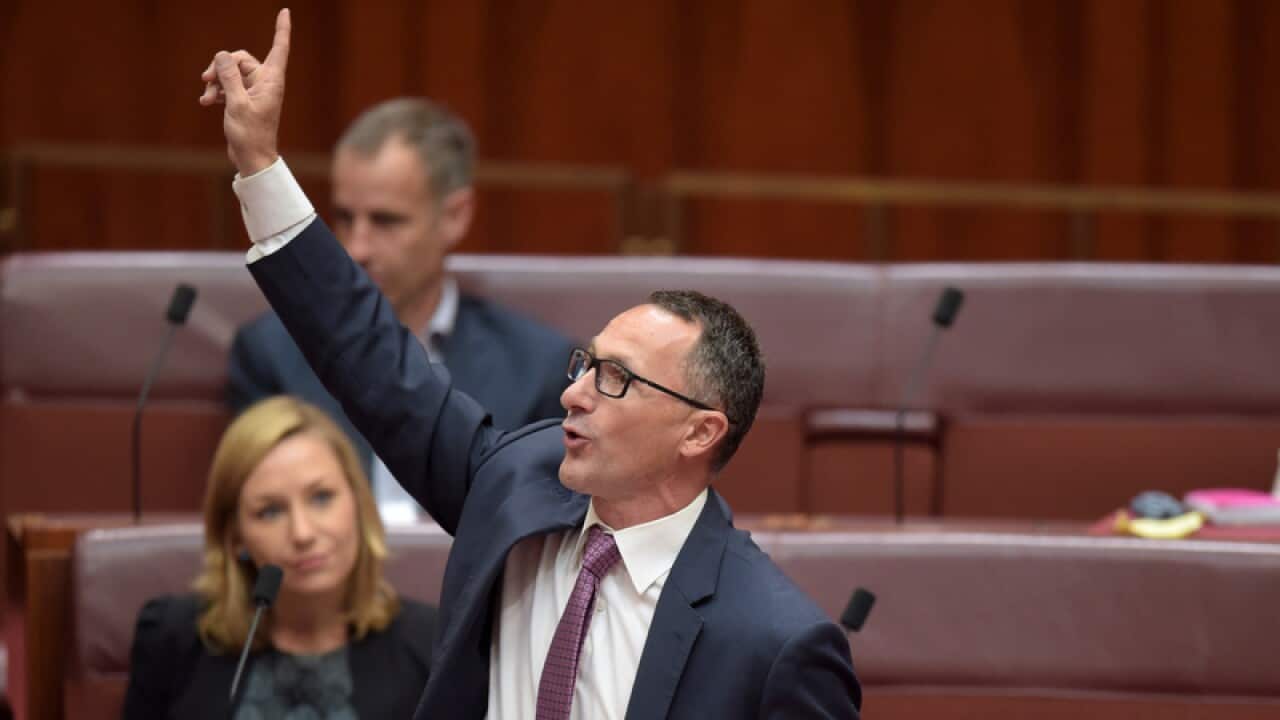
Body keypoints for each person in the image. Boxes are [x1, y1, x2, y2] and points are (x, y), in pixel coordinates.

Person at [199, 10, 860, 719]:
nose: (574, 393)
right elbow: (371, 358)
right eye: (587, 365)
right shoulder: (512, 488)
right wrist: (261, 166)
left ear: (698, 433)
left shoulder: (774, 640)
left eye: (616, 380)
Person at [226, 95, 574, 521]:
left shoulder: (538, 367)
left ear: (455, 216)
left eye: (386, 221)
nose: (357, 247)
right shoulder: (271, 354)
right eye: (344, 217)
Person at [122, 396, 437, 719]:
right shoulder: (171, 638)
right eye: (270, 511)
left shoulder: (432, 645)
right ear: (234, 536)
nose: (302, 533)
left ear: (358, 504)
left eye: (321, 497)